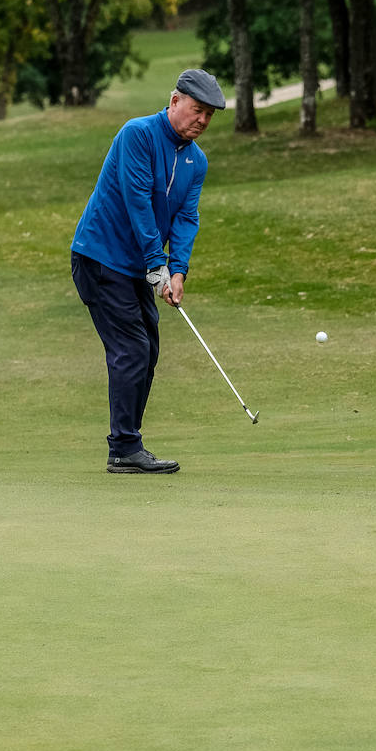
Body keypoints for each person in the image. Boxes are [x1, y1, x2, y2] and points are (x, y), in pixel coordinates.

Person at [71, 69, 226, 474]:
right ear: (175, 101)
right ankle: (123, 448)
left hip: (138, 266)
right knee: (132, 350)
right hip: (101, 257)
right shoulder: (137, 134)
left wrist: (178, 271)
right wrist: (157, 265)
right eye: (197, 110)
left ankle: (127, 444)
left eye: (210, 115)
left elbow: (187, 217)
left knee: (148, 350)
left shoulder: (197, 161)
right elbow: (138, 201)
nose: (203, 121)